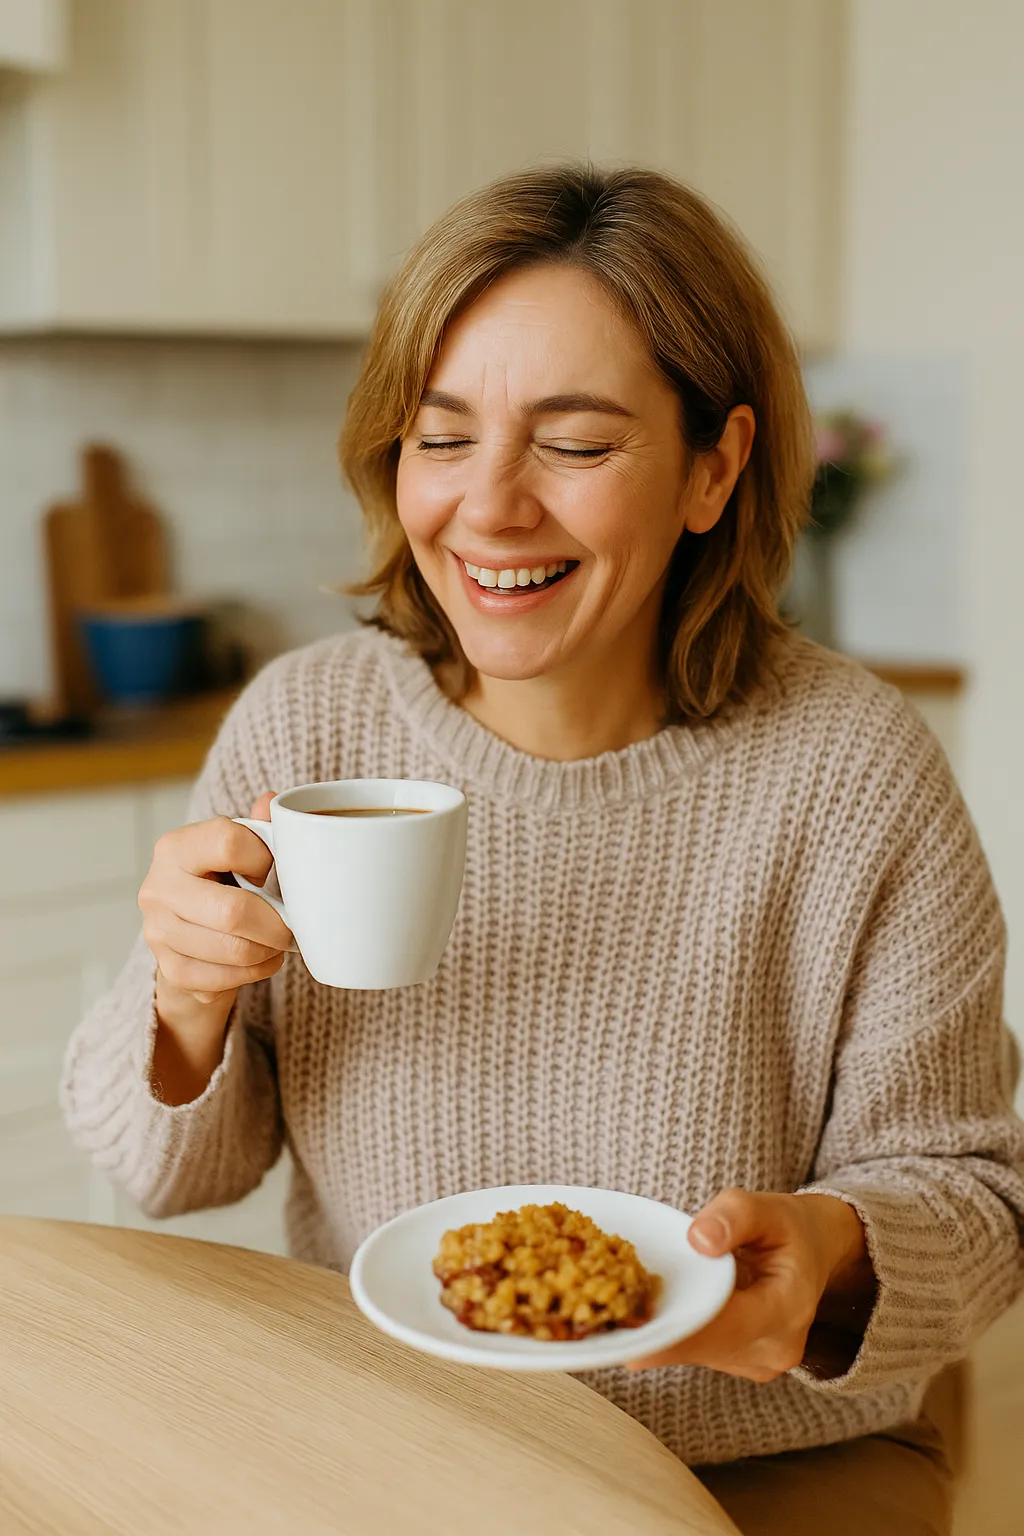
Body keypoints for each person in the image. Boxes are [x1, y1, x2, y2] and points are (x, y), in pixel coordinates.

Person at [61, 165, 1024, 1535]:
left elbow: (978, 1200)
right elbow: (174, 1173)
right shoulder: (307, 724)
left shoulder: (855, 772)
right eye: (443, 438)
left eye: (574, 444)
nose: (491, 507)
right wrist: (181, 997)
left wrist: (834, 1259)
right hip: (402, 1449)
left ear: (714, 466)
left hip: (758, 1465)